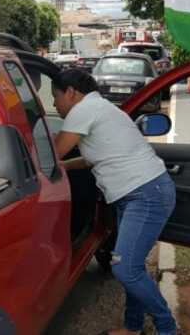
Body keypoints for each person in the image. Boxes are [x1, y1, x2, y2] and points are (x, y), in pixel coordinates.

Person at [51, 69, 179, 335]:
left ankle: (168, 328)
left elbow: (52, 152)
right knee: (132, 267)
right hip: (141, 192)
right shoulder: (102, 108)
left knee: (125, 269)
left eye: (55, 97)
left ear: (71, 92)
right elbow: (92, 158)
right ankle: (133, 329)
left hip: (144, 194)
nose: (54, 104)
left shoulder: (83, 110)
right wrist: (65, 166)